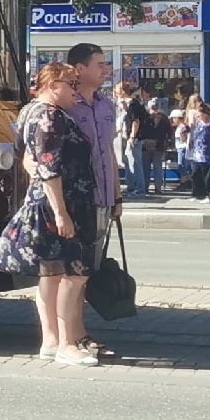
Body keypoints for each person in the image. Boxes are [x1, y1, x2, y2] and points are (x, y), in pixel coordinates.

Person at [0, 60, 105, 365]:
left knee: (51, 273)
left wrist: (38, 178)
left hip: (47, 201)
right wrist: (62, 214)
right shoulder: (50, 117)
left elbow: (25, 155)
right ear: (53, 86)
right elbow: (51, 168)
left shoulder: (29, 111)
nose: (76, 93)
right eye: (71, 85)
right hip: (63, 204)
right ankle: (67, 344)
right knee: (75, 274)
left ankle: (51, 341)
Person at [64, 42, 119, 263]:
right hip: (77, 200)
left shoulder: (107, 105)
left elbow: (109, 152)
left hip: (104, 198)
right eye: (100, 65)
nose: (106, 70)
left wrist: (117, 196)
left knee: (92, 263)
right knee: (72, 268)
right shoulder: (66, 106)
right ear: (80, 69)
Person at [115, 79, 152, 199]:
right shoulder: (128, 105)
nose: (115, 95)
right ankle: (131, 186)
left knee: (135, 162)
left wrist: (132, 136)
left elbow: (136, 121)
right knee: (128, 161)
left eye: (117, 92)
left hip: (134, 137)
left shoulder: (133, 104)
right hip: (128, 135)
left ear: (123, 92)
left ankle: (140, 189)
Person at [183, 94, 210, 201]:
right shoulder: (198, 123)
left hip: (209, 154)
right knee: (196, 174)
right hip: (197, 153)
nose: (198, 116)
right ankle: (198, 194)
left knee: (209, 176)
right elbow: (191, 130)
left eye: (200, 115)